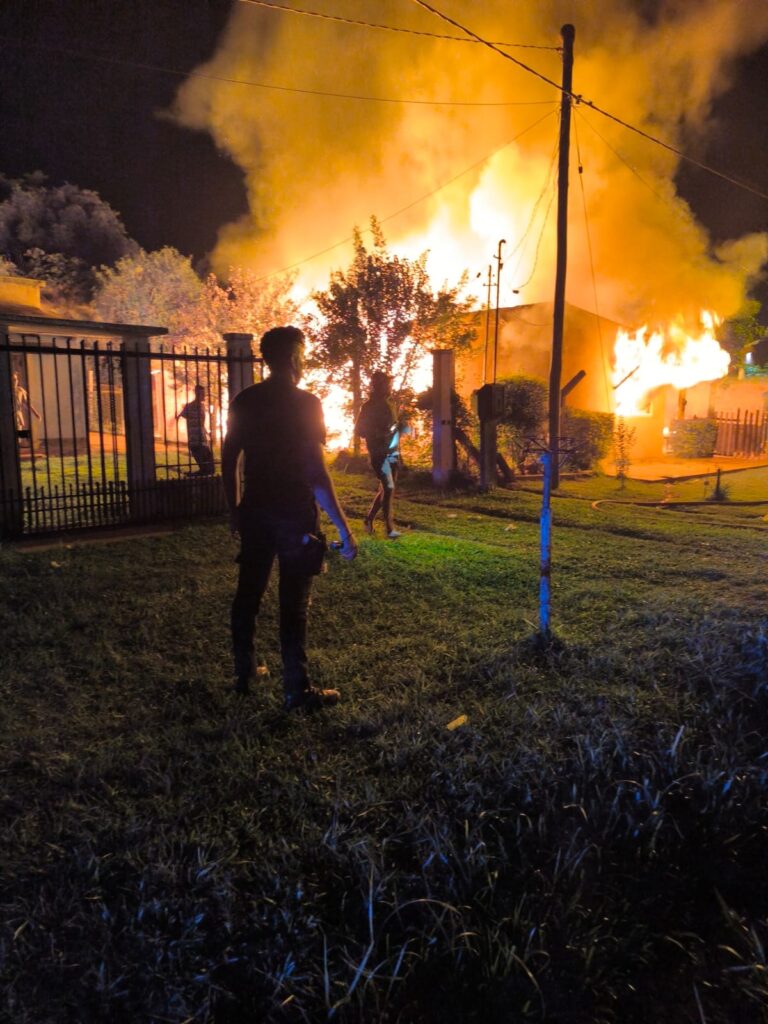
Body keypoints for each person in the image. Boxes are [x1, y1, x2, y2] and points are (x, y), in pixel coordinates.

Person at [222, 326, 358, 711]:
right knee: (293, 605)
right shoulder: (307, 404)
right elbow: (316, 472)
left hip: (255, 513)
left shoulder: (244, 400)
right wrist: (345, 529)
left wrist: (235, 511)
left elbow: (230, 460)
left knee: (248, 593)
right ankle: (297, 691)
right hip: (295, 516)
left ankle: (245, 671)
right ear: (295, 357)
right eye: (302, 353)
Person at [354, 371, 403, 539]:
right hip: (378, 453)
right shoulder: (368, 407)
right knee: (388, 487)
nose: (389, 387)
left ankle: (369, 519)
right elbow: (359, 430)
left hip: (392, 452)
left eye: (389, 384)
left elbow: (394, 428)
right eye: (387, 384)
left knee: (387, 488)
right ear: (378, 386)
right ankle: (389, 529)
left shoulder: (390, 404)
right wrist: (377, 434)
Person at [177, 384, 215, 476]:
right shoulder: (189, 406)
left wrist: (206, 432)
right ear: (197, 393)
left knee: (210, 466)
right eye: (202, 393)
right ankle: (198, 475)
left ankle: (197, 475)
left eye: (204, 393)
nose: (204, 396)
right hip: (195, 440)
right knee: (206, 465)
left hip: (202, 438)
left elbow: (201, 422)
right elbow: (180, 416)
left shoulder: (202, 407)